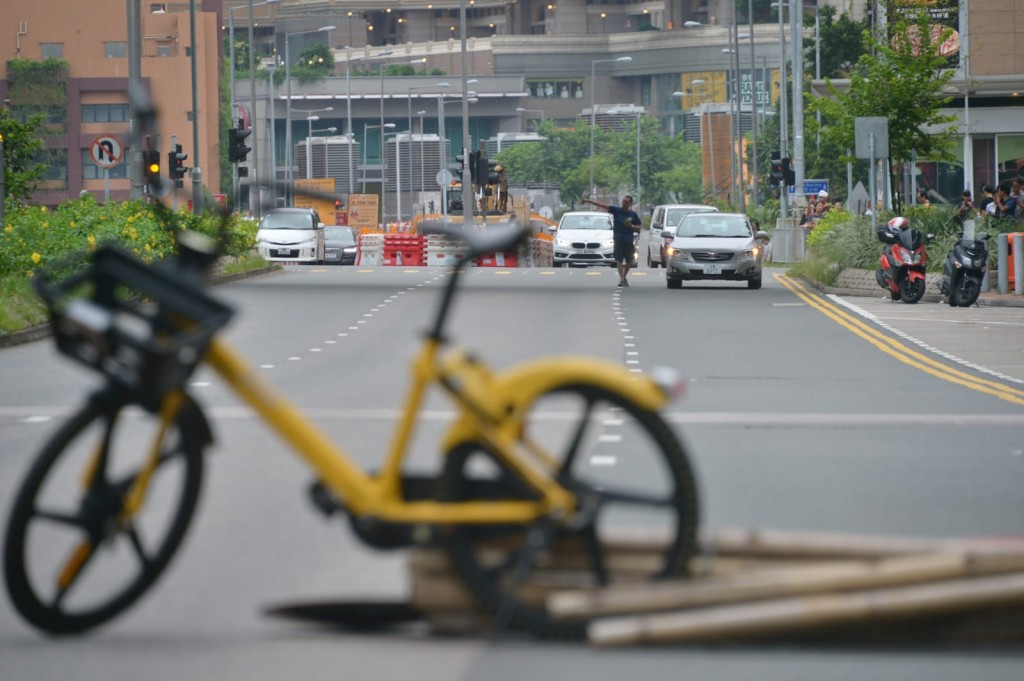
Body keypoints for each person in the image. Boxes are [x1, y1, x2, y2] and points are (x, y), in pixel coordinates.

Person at [581, 194, 642, 287]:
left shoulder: (633, 214)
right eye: (623, 201)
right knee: (619, 259)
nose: (624, 203)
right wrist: (588, 201)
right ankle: (622, 279)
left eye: (626, 202)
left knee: (630, 261)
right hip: (618, 239)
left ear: (630, 203)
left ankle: (624, 276)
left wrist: (632, 226)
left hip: (629, 240)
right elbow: (601, 205)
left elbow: (639, 227)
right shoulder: (616, 210)